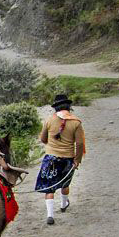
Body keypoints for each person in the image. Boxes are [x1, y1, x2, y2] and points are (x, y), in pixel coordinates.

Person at [35, 94, 86, 225]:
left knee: (49, 187)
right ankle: (63, 205)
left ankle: (50, 215)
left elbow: (43, 139)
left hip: (51, 158)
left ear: (56, 108)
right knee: (65, 184)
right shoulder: (76, 122)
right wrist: (77, 160)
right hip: (68, 158)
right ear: (69, 107)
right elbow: (80, 144)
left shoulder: (49, 120)